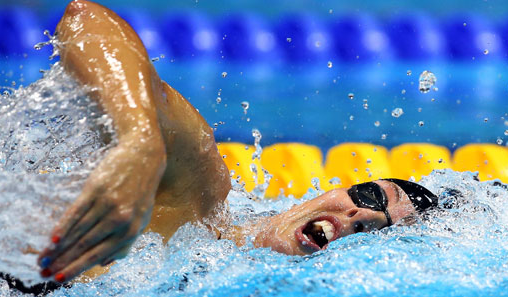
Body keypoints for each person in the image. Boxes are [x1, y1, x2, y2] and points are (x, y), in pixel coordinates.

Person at [25, 0, 438, 288]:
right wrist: (141, 144)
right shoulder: (196, 196)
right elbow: (85, 21)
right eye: (370, 195)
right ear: (329, 189)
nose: (360, 216)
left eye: (376, 235)